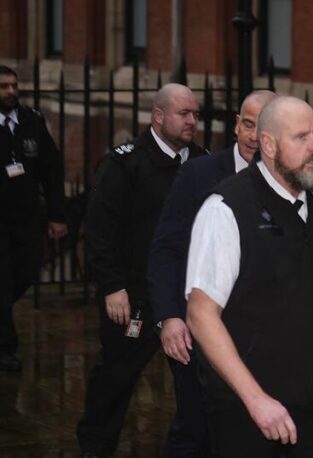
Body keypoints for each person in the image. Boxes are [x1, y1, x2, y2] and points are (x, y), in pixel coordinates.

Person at [186, 96, 313, 457]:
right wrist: (256, 399)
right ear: (269, 144)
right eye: (301, 137)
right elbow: (201, 315)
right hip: (251, 409)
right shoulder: (226, 208)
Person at [78, 83, 207, 458]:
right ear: (159, 116)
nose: (192, 121)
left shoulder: (201, 162)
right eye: (184, 113)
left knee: (196, 380)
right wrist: (112, 286)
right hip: (134, 294)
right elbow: (100, 229)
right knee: (116, 376)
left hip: (184, 295)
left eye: (196, 114)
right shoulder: (125, 164)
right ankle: (95, 447)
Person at [147, 90, 275, 457]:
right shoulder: (198, 173)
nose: (253, 136)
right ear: (235, 125)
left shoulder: (287, 180)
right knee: (195, 430)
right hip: (200, 332)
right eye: (247, 125)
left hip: (262, 336)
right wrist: (169, 317)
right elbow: (167, 248)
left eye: (262, 128)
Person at [0, 64, 66, 373]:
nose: (11, 91)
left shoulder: (31, 122)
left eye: (14, 85)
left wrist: (57, 215)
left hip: (26, 219)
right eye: (4, 86)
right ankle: (5, 349)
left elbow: (52, 171)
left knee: (26, 272)